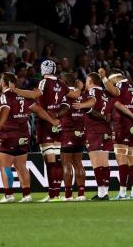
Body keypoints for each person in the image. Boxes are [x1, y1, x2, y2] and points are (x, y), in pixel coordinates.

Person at [10, 59, 66, 202]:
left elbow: (35, 96)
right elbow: (67, 103)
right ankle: (57, 193)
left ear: (43, 70)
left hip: (45, 123)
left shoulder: (44, 82)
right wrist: (58, 114)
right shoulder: (62, 84)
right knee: (57, 159)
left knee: (50, 160)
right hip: (59, 123)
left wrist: (16, 90)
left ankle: (53, 194)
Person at [107, 69, 133, 200]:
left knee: (122, 161)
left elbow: (117, 103)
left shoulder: (118, 87)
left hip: (121, 127)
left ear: (114, 79)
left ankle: (123, 192)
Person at [71, 73, 113, 201]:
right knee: (104, 162)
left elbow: (92, 101)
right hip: (106, 129)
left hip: (94, 130)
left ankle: (101, 192)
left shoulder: (93, 91)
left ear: (90, 81)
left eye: (86, 81)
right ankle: (104, 192)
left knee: (96, 162)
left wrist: (82, 105)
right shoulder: (106, 93)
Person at [0, 73, 33, 203]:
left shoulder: (5, 96)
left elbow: (5, 111)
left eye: (1, 80)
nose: (0, 83)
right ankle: (27, 195)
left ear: (4, 83)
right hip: (23, 135)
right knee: (21, 166)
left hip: (8, 134)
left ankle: (9, 195)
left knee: (5, 166)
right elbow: (35, 109)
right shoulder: (24, 95)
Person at [59, 73, 87, 201]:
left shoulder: (63, 94)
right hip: (81, 132)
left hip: (68, 131)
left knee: (66, 164)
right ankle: (81, 194)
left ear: (64, 82)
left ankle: (68, 195)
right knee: (78, 163)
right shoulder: (81, 94)